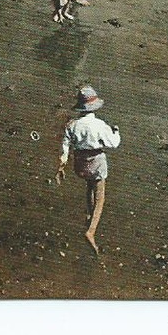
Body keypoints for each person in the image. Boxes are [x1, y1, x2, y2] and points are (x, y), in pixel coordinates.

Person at [56, 86, 121, 256]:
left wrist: (61, 167)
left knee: (89, 187)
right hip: (97, 162)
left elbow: (65, 147)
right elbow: (113, 143)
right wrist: (116, 131)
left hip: (80, 164)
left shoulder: (72, 125)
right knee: (100, 196)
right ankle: (91, 230)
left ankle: (88, 216)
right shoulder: (99, 125)